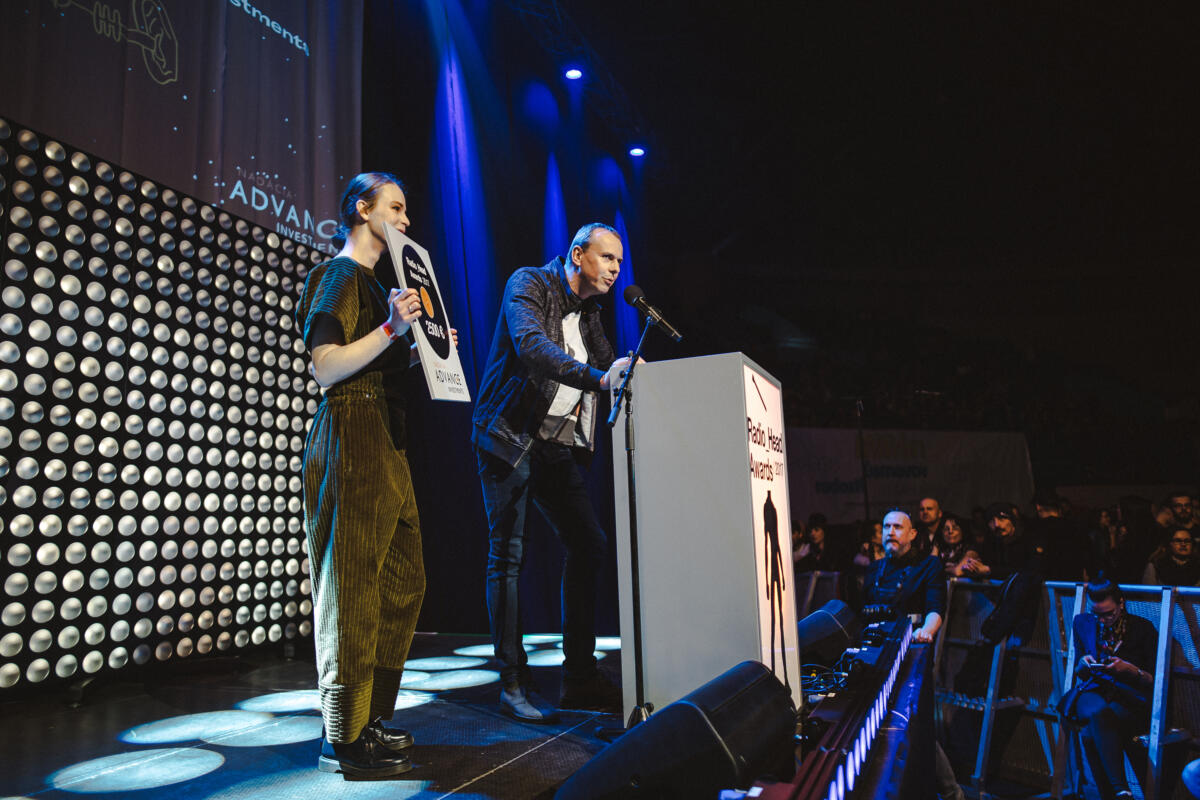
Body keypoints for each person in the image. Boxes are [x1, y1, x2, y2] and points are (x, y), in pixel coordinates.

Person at [297, 173, 455, 777]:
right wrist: (392, 328)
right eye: (396, 207)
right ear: (362, 210)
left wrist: (421, 349)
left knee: (403, 580)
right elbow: (327, 366)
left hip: (387, 439)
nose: (406, 220)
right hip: (352, 432)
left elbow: (374, 363)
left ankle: (369, 718)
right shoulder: (339, 275)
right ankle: (343, 737)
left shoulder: (376, 285)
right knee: (354, 587)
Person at [472, 222, 633, 722]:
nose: (615, 269)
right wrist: (600, 378)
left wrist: (631, 373)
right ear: (578, 255)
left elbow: (610, 366)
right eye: (607, 257)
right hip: (508, 437)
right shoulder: (529, 283)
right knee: (508, 557)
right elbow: (532, 348)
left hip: (554, 446)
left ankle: (579, 678)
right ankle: (512, 682)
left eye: (619, 261)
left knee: (589, 543)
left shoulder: (590, 314)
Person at [862, 510, 959, 799]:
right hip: (877, 657)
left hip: (911, 656)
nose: (891, 532)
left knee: (916, 726)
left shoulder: (928, 565)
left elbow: (935, 609)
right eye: (886, 526)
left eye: (898, 527)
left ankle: (951, 793)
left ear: (912, 533)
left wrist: (927, 631)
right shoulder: (874, 569)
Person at [1059, 579, 1157, 800]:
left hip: (1127, 694)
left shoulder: (1142, 628)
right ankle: (1121, 790)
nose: (1103, 620)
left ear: (1121, 603)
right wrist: (1082, 664)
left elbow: (1153, 680)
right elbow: (1080, 671)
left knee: (1091, 732)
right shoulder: (1083, 623)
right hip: (1093, 690)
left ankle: (1117, 793)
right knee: (1097, 712)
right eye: (1097, 614)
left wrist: (1130, 670)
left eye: (1109, 614)